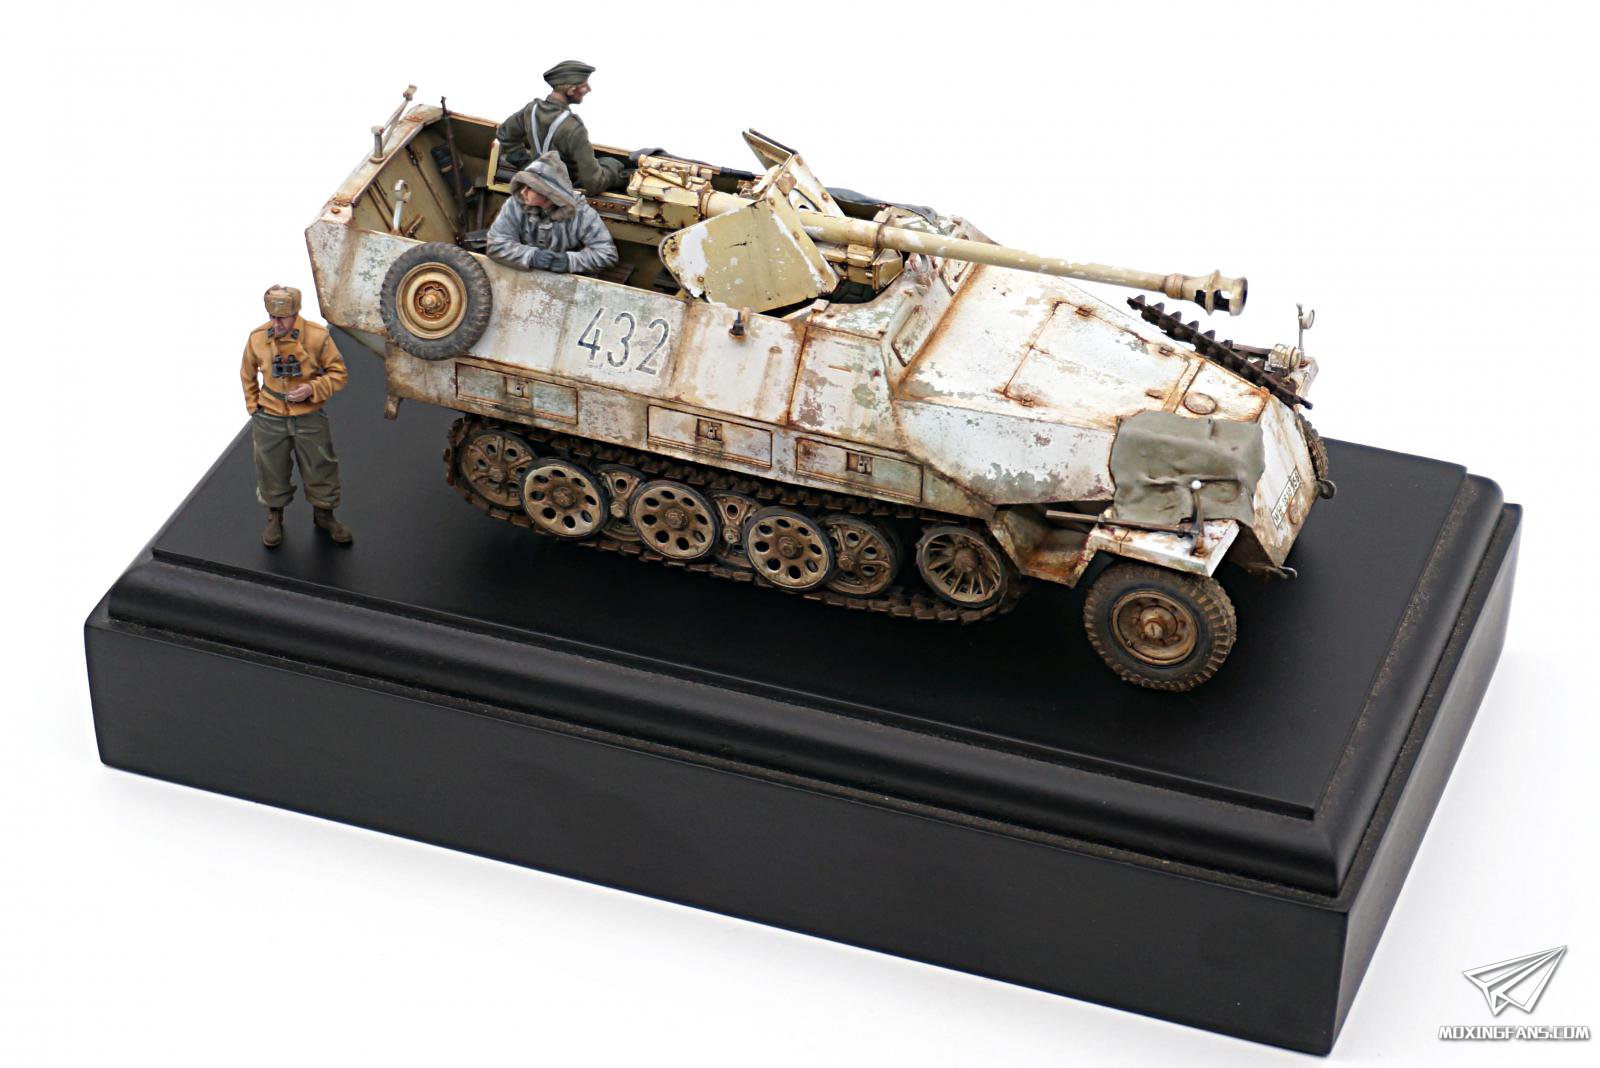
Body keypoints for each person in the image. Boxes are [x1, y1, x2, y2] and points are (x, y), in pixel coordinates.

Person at [239, 285, 353, 547]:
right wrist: (253, 406)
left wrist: (312, 389)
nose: (276, 323)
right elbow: (247, 373)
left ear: (295, 314)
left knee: (321, 465)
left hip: (308, 415)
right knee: (271, 469)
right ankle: (274, 516)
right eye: (272, 317)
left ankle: (324, 514)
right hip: (270, 415)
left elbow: (339, 374)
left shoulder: (317, 337)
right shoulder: (258, 338)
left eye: (282, 318)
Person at [497, 60, 627, 196]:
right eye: (584, 85)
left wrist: (527, 165)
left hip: (538, 178)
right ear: (571, 90)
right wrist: (614, 169)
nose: (589, 89)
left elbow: (505, 134)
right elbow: (594, 183)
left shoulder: (532, 109)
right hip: (563, 189)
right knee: (610, 162)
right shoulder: (574, 128)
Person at [487, 153, 619, 276]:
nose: (523, 192)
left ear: (549, 192)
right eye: (524, 186)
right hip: (522, 276)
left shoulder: (582, 214)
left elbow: (607, 255)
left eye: (531, 188)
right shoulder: (514, 205)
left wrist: (569, 261)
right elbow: (496, 244)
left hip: (566, 282)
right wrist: (532, 256)